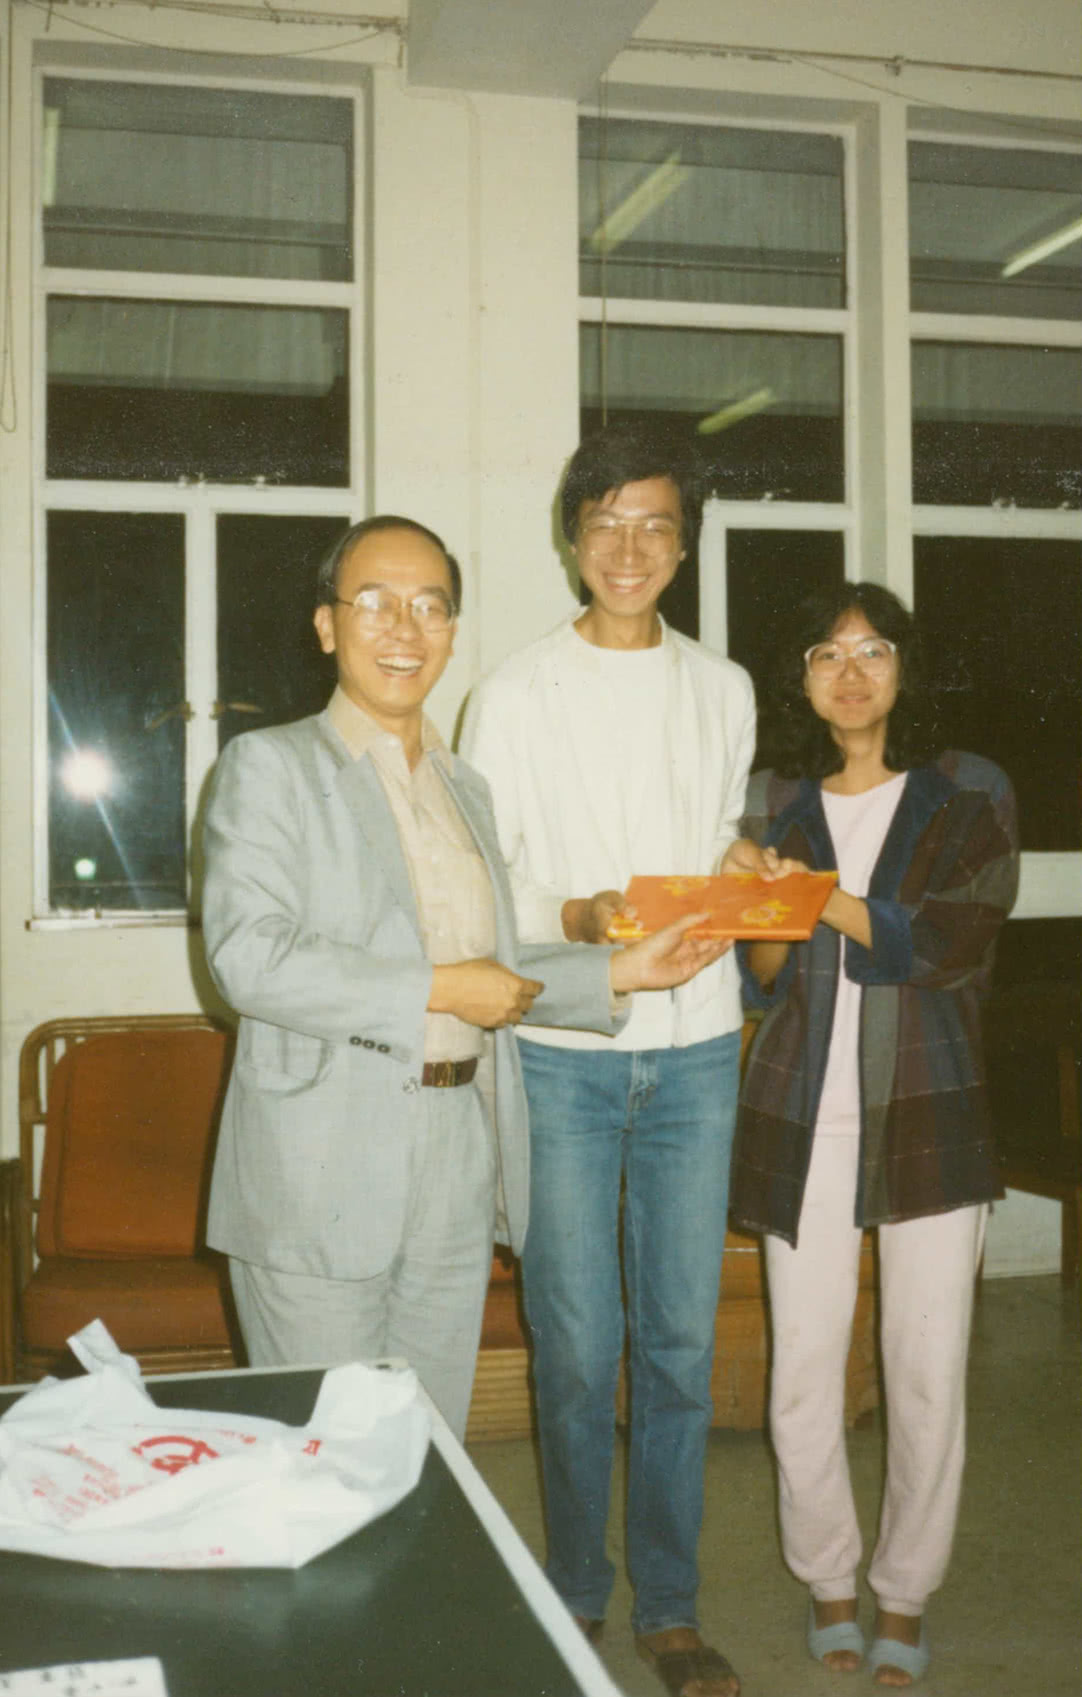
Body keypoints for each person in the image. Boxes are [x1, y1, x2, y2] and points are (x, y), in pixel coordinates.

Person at [201, 514, 722, 1444]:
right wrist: (437, 989)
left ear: (451, 630)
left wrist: (617, 971)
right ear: (327, 625)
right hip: (320, 1168)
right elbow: (250, 956)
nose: (405, 627)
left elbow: (498, 973)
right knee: (322, 1462)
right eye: (375, 603)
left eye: (431, 607)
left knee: (422, 1453)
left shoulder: (463, 787)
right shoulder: (269, 766)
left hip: (456, 1150)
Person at [461, 423, 776, 1697]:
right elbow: (496, 885)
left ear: (685, 541)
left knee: (682, 1347)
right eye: (606, 522)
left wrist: (748, 873)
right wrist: (583, 917)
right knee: (579, 1340)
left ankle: (674, 1607)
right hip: (565, 1053)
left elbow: (715, 846)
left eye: (654, 523)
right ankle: (576, 1594)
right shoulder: (515, 691)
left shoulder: (726, 685)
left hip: (698, 1055)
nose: (629, 547)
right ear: (570, 536)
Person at [731, 583, 1018, 1687]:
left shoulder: (967, 788)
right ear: (800, 676)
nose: (850, 672)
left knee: (927, 1366)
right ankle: (830, 1578)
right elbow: (761, 974)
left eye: (874, 650)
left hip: (930, 1105)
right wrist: (752, 895)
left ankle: (904, 1592)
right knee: (801, 1369)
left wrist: (817, 892)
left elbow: (950, 936)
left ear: (907, 667)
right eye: (825, 652)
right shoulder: (776, 793)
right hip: (800, 1109)